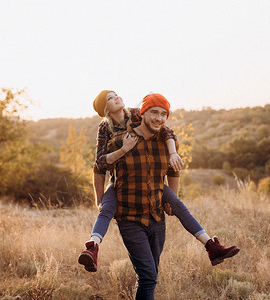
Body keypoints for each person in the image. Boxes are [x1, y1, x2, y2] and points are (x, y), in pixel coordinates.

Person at [78, 91, 239, 276]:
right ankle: (92, 247)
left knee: (178, 205)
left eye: (116, 94)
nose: (117, 97)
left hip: (150, 181)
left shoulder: (137, 113)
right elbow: (99, 163)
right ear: (106, 108)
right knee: (106, 208)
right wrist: (123, 152)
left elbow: (165, 129)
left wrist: (172, 153)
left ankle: (211, 246)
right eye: (110, 98)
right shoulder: (105, 128)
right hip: (121, 181)